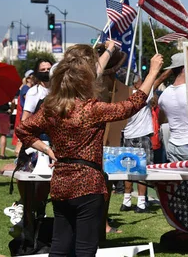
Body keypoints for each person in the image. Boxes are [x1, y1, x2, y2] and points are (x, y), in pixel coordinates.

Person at [16, 43, 164, 256]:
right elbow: (131, 105)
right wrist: (152, 73)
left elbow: (23, 130)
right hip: (88, 184)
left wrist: (47, 150)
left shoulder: (52, 108)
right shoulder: (91, 109)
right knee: (85, 249)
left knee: (60, 247)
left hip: (60, 183)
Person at [120, 70, 170, 213]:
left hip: (128, 136)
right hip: (142, 136)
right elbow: (159, 79)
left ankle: (126, 201)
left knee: (128, 170)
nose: (143, 83)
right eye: (141, 80)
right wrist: (172, 68)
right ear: (136, 83)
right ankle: (141, 203)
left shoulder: (123, 96)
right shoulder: (142, 95)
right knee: (142, 170)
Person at [158, 53, 188, 162]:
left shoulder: (164, 94)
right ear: (184, 69)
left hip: (172, 145)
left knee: (178, 178)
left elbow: (161, 120)